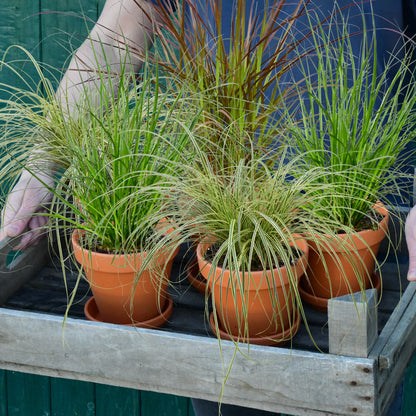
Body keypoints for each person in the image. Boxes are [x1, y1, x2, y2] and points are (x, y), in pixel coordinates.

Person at [0, 1, 413, 415]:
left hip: (365, 240)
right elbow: (116, 36)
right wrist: (43, 165)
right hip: (220, 239)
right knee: (231, 393)